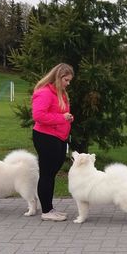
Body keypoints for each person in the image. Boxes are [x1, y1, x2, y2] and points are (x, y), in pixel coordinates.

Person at [31, 63, 74, 221]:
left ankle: (50, 207)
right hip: (45, 137)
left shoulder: (61, 93)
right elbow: (38, 116)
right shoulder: (44, 93)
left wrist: (67, 118)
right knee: (47, 174)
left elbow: (59, 112)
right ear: (58, 77)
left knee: (51, 173)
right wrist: (62, 118)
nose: (68, 83)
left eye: (69, 80)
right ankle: (46, 211)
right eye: (66, 80)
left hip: (59, 137)